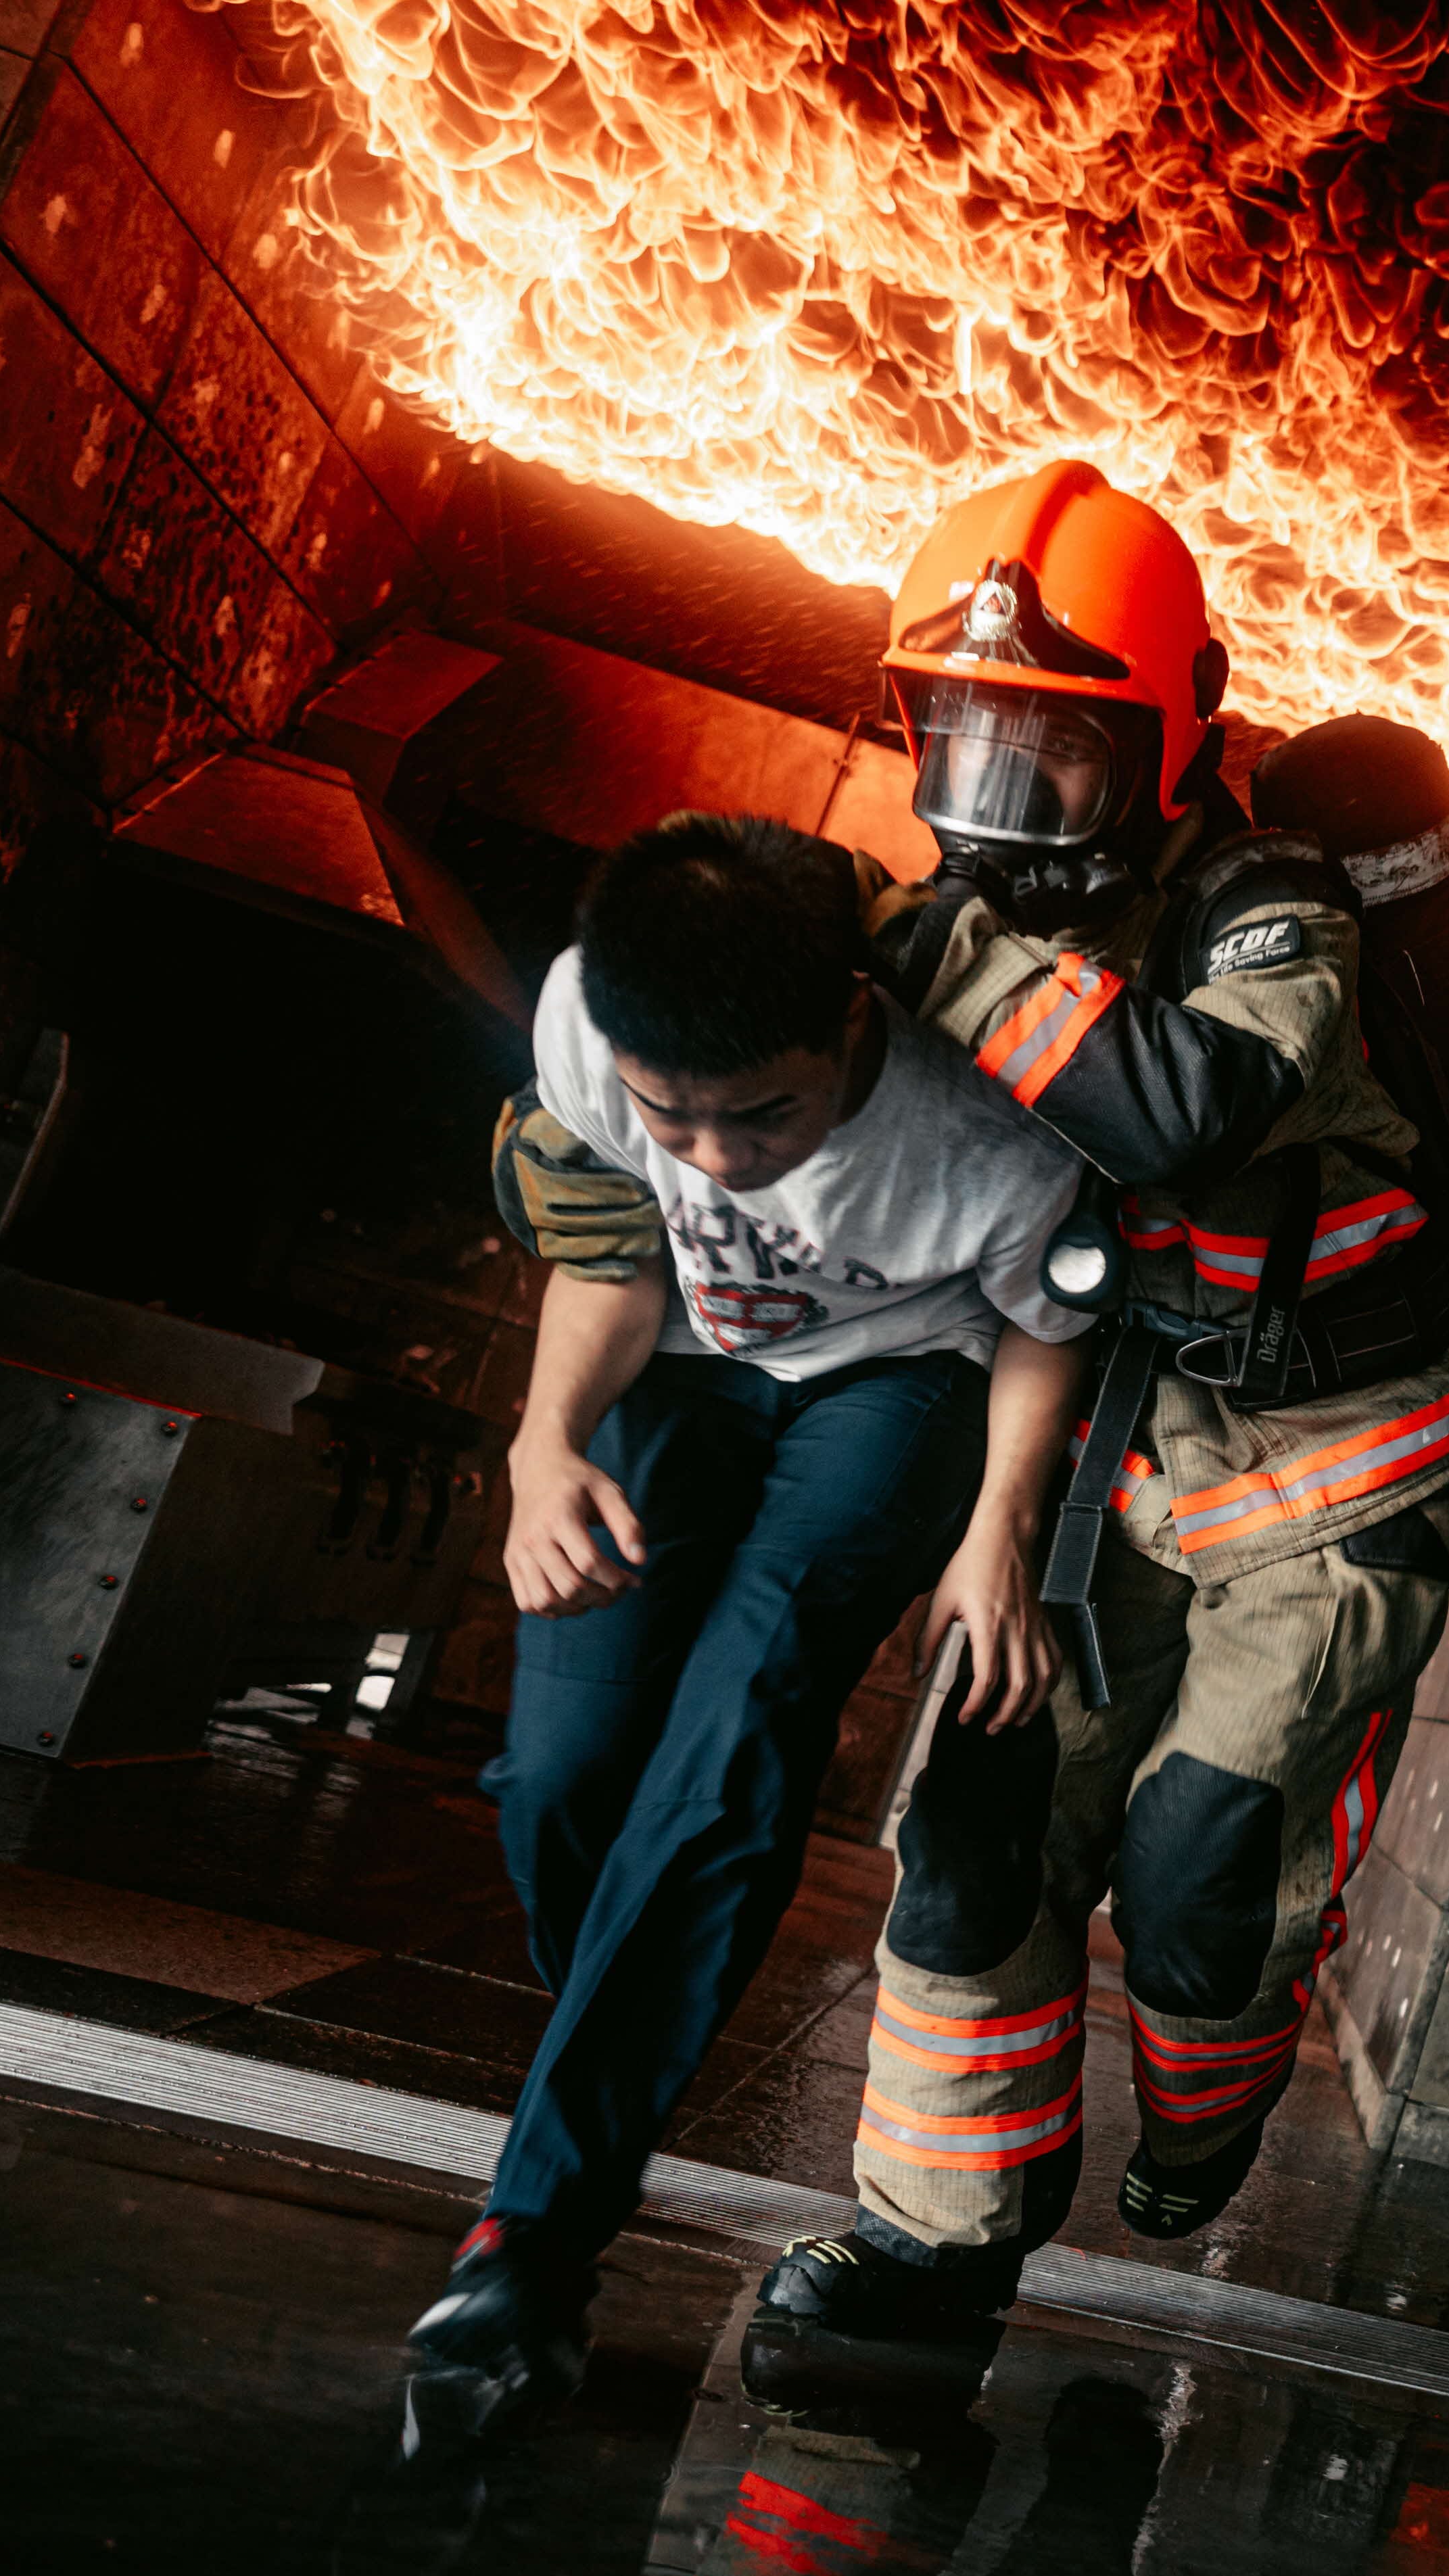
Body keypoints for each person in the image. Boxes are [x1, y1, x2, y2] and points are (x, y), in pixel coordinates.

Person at [483, 460, 1449, 2353]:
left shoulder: (1269, 900)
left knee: (1202, 1857)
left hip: (1327, 1465)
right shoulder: (936, 929)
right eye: (959, 739)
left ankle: (1215, 2087)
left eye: (1053, 751)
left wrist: (935, 947)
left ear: (1175, 729)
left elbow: (1192, 1105)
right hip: (1104, 1459)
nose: (999, 801)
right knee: (975, 1825)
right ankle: (927, 2255)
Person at [404, 814, 1093, 2452]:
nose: (712, 1153)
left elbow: (1036, 1330)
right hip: (687, 1365)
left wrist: (997, 1534)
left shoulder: (988, 1129)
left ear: (852, 1019)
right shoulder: (590, 1015)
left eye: (760, 1113)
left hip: (903, 1385)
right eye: (674, 1114)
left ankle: (530, 2239)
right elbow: (615, 1247)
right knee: (561, 1775)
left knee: (733, 1740)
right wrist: (541, 1443)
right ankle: (618, 2061)